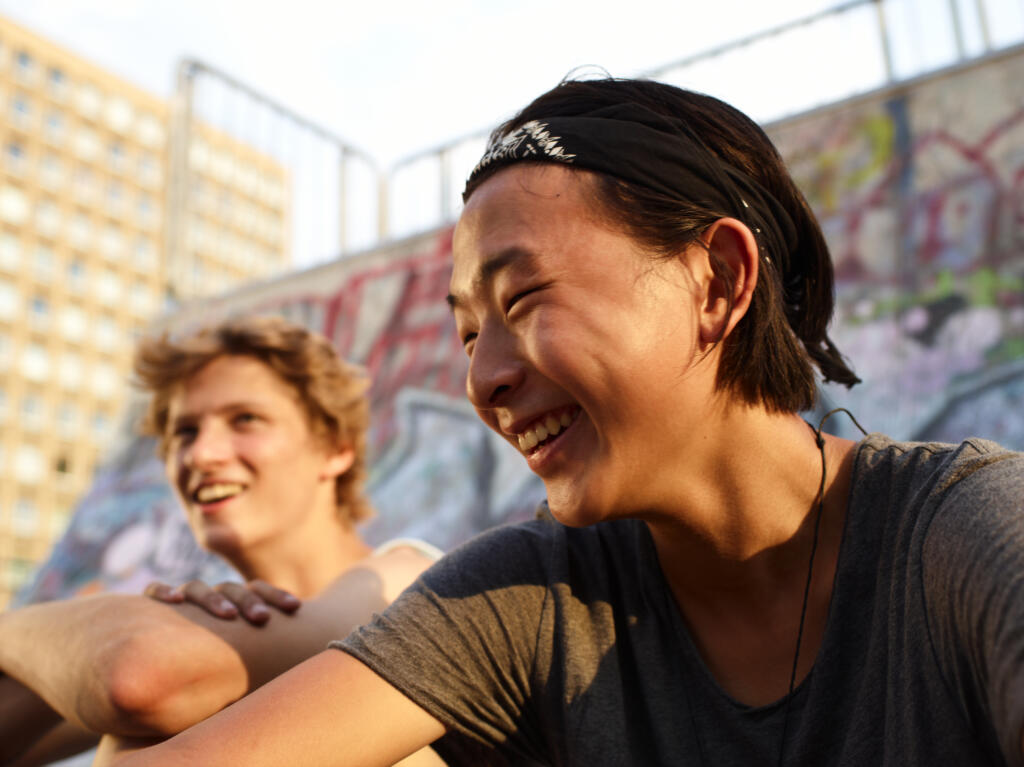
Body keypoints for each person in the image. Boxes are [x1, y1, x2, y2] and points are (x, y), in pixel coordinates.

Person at [109, 78, 1024, 766]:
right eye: (468, 332)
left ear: (719, 282)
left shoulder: (962, 533)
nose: (485, 378)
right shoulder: (528, 596)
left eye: (526, 298)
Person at [0, 316, 442, 765]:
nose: (202, 454)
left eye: (245, 420)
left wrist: (9, 629)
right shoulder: (206, 625)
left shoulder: (410, 579)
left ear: (335, 449)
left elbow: (139, 674)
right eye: (185, 432)